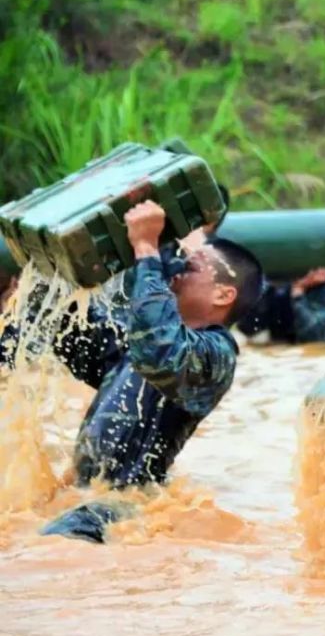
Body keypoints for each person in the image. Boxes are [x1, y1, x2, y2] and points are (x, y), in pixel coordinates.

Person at [32, 200, 263, 541]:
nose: (178, 272)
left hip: (126, 505)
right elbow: (70, 329)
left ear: (223, 294)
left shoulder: (215, 353)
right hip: (84, 495)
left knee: (54, 541)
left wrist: (146, 248)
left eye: (193, 268)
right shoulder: (137, 340)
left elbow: (161, 352)